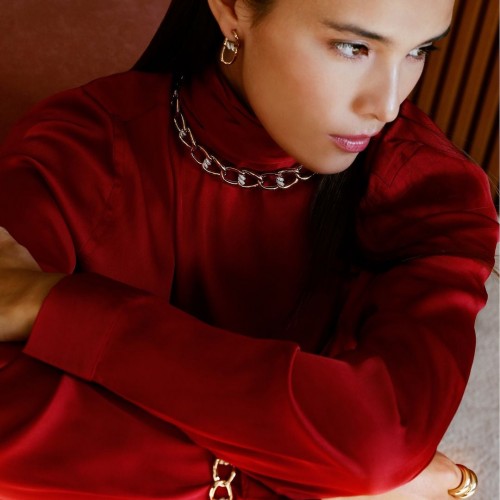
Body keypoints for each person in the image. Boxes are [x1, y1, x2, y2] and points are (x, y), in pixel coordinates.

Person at [0, 0, 497, 498]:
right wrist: (315, 481)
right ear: (230, 8)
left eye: (419, 51)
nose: (387, 106)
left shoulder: (432, 191)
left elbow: (382, 437)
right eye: (353, 47)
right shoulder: (79, 148)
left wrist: (57, 304)